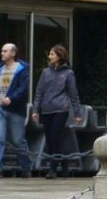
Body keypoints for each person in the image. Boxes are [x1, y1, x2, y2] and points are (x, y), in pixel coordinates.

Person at [31, 44, 82, 179]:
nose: (50, 57)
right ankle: (64, 160)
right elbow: (39, 92)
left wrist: (77, 113)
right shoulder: (45, 72)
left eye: (52, 54)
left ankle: (52, 169)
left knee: (54, 136)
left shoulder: (68, 73)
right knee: (50, 139)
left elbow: (73, 94)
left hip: (61, 110)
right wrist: (35, 110)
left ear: (60, 56)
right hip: (46, 110)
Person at [0, 42, 32, 177]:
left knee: (18, 140)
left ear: (13, 53)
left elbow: (23, 89)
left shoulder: (22, 70)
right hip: (0, 108)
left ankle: (26, 167)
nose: (2, 53)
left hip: (15, 110)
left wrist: (11, 99)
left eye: (5, 51)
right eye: (2, 51)